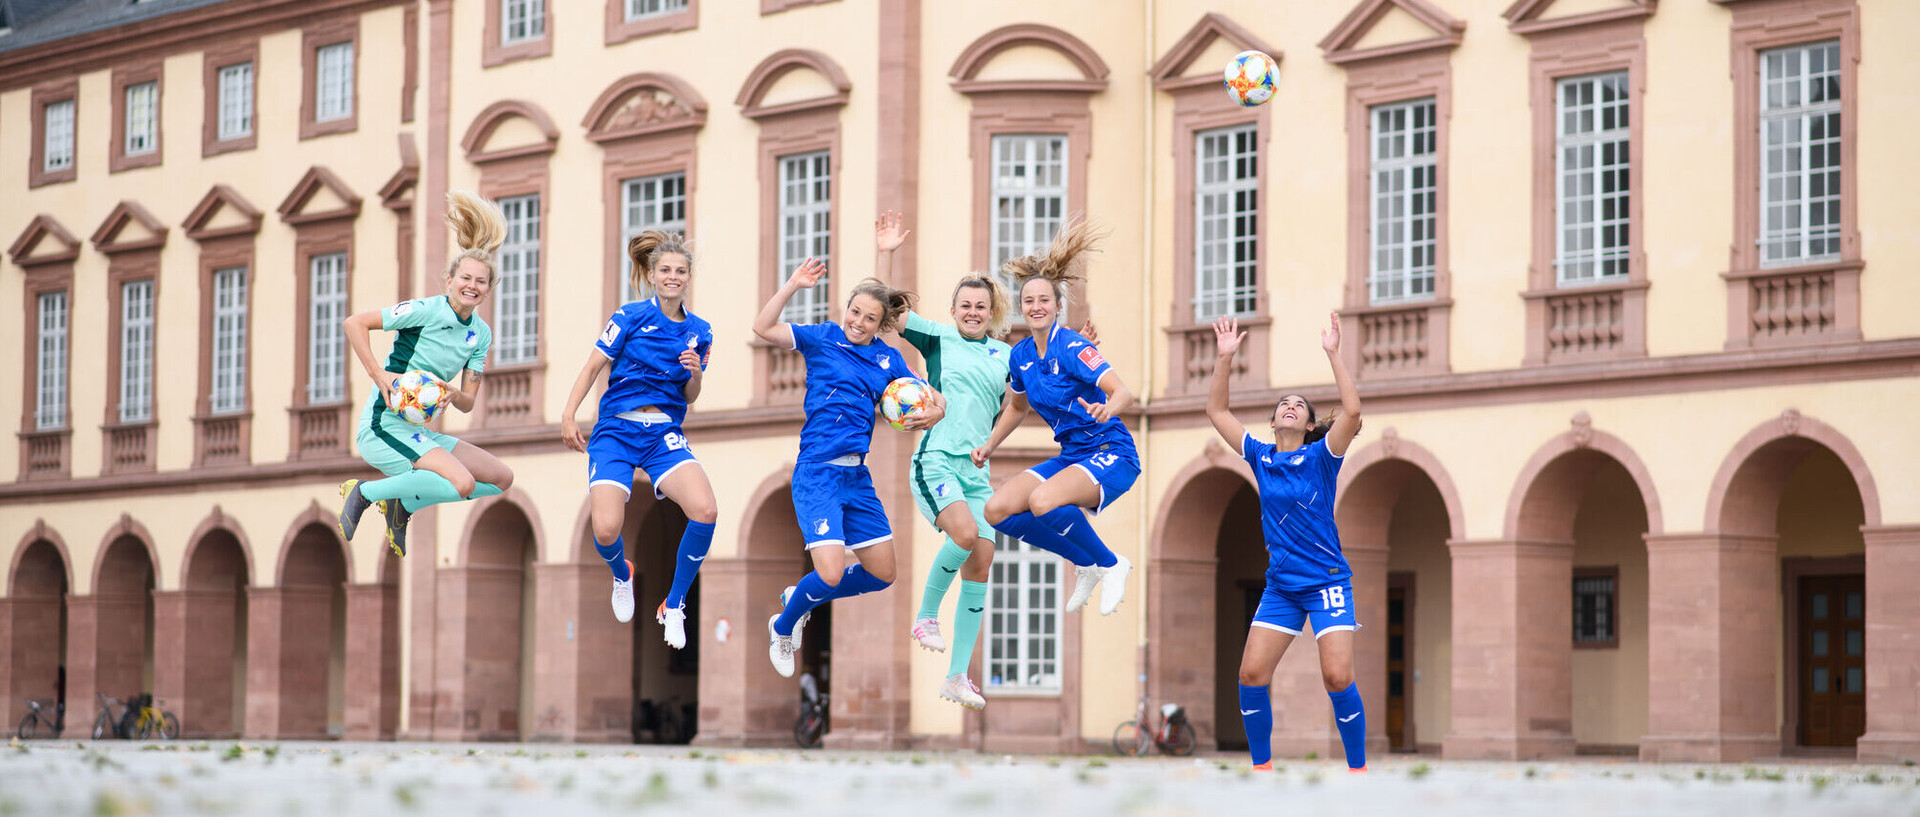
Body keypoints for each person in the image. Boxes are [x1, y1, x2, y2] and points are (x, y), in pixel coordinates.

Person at [874, 213, 1103, 711]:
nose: (973, 312)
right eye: (965, 306)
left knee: (983, 557)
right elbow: (886, 312)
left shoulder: (1007, 355)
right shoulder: (936, 337)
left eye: (981, 306)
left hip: (975, 469)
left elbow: (1041, 387)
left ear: (993, 310)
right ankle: (926, 615)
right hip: (935, 460)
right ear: (952, 310)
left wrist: (1083, 355)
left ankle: (957, 675)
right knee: (962, 536)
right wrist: (888, 252)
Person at [752, 258, 944, 678]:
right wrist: (791, 286)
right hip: (817, 472)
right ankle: (783, 625)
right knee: (832, 572)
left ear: (879, 324)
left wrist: (935, 412)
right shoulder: (822, 338)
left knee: (883, 573)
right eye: (854, 311)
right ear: (846, 309)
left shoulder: (888, 359)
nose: (858, 322)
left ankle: (801, 597)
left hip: (857, 477)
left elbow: (931, 395)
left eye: (869, 318)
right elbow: (763, 327)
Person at [1207, 313, 1366, 773]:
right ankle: (1262, 770)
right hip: (1281, 587)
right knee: (1251, 674)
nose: (1291, 407)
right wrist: (1225, 359)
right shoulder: (1260, 457)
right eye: (1284, 404)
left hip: (1327, 581)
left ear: (1310, 423)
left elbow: (1352, 414)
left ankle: (1358, 770)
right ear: (1274, 421)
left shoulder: (1322, 456)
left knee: (1337, 676)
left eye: (1300, 405)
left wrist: (1333, 353)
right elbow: (1217, 413)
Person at [558, 231, 717, 648]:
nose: (673, 277)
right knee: (607, 529)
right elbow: (593, 366)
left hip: (664, 431)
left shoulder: (700, 331)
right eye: (665, 270)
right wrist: (569, 413)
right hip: (617, 430)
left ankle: (675, 604)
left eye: (680, 271)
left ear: (688, 278)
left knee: (705, 510)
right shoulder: (628, 316)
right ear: (651, 274)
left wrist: (696, 374)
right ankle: (621, 575)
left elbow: (690, 395)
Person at [337, 190, 516, 556]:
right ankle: (364, 492)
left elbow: (466, 404)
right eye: (465, 278)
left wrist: (453, 393)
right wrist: (378, 375)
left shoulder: (480, 334)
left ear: (488, 289)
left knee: (501, 479)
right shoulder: (425, 310)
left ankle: (404, 505)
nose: (472, 286)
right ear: (449, 280)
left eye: (480, 281)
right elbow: (355, 323)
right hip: (383, 425)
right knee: (462, 483)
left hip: (418, 429)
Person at [974, 217, 1138, 618]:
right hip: (1072, 454)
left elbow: (1124, 392)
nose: (1036, 307)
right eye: (1028, 301)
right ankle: (1084, 562)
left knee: (1042, 500)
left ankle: (1111, 563)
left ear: (1058, 307)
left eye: (1044, 301)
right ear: (1021, 308)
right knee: (996, 511)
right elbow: (1016, 407)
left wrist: (1106, 408)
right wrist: (989, 445)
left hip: (1110, 451)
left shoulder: (1073, 345)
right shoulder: (1021, 355)